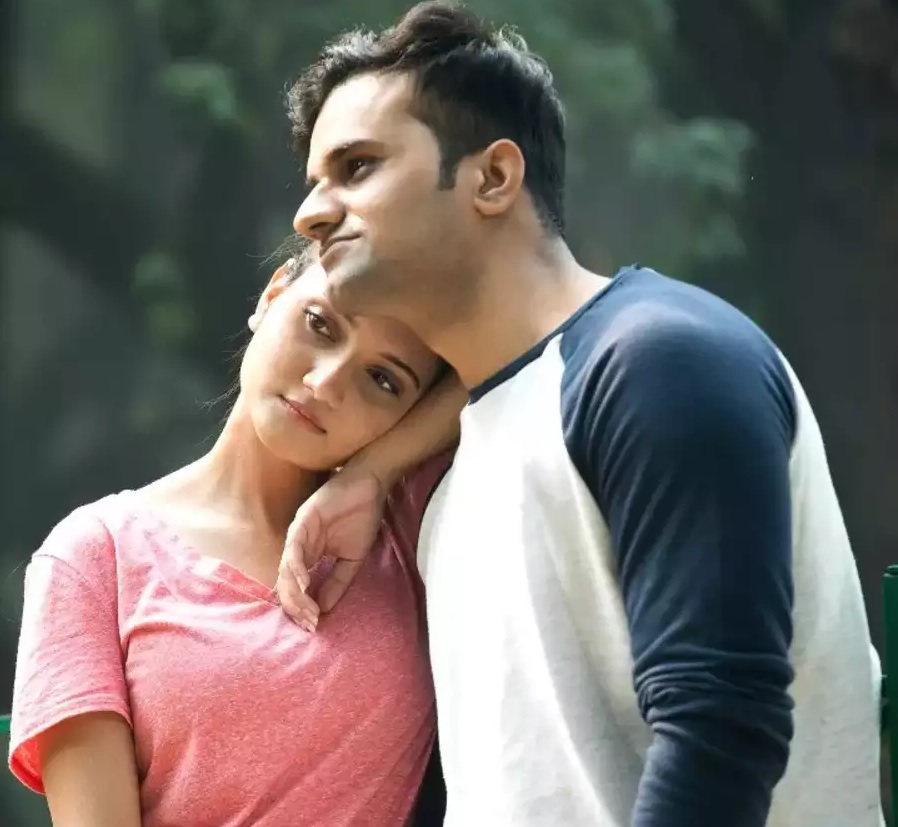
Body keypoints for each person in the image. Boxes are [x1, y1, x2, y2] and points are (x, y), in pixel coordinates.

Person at [277, 3, 884, 826]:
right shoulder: (460, 469)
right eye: (315, 183)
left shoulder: (661, 362)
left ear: (494, 177)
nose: (310, 214)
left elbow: (721, 732)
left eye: (357, 167)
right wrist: (374, 472)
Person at [8, 252, 466, 827]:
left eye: (383, 379)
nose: (325, 382)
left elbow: (537, 338)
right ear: (272, 295)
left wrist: (375, 472)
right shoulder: (96, 556)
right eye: (321, 324)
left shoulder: (408, 525)